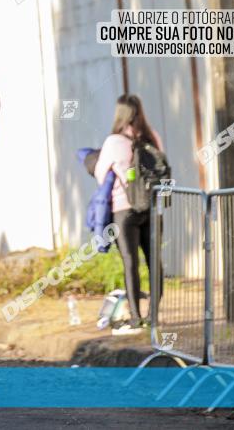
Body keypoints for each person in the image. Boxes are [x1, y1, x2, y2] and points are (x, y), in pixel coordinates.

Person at [94, 94, 166, 335]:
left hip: (125, 210)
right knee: (154, 260)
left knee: (130, 262)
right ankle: (153, 315)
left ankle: (136, 317)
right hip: (152, 207)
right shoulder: (151, 137)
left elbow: (100, 174)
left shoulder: (113, 142)